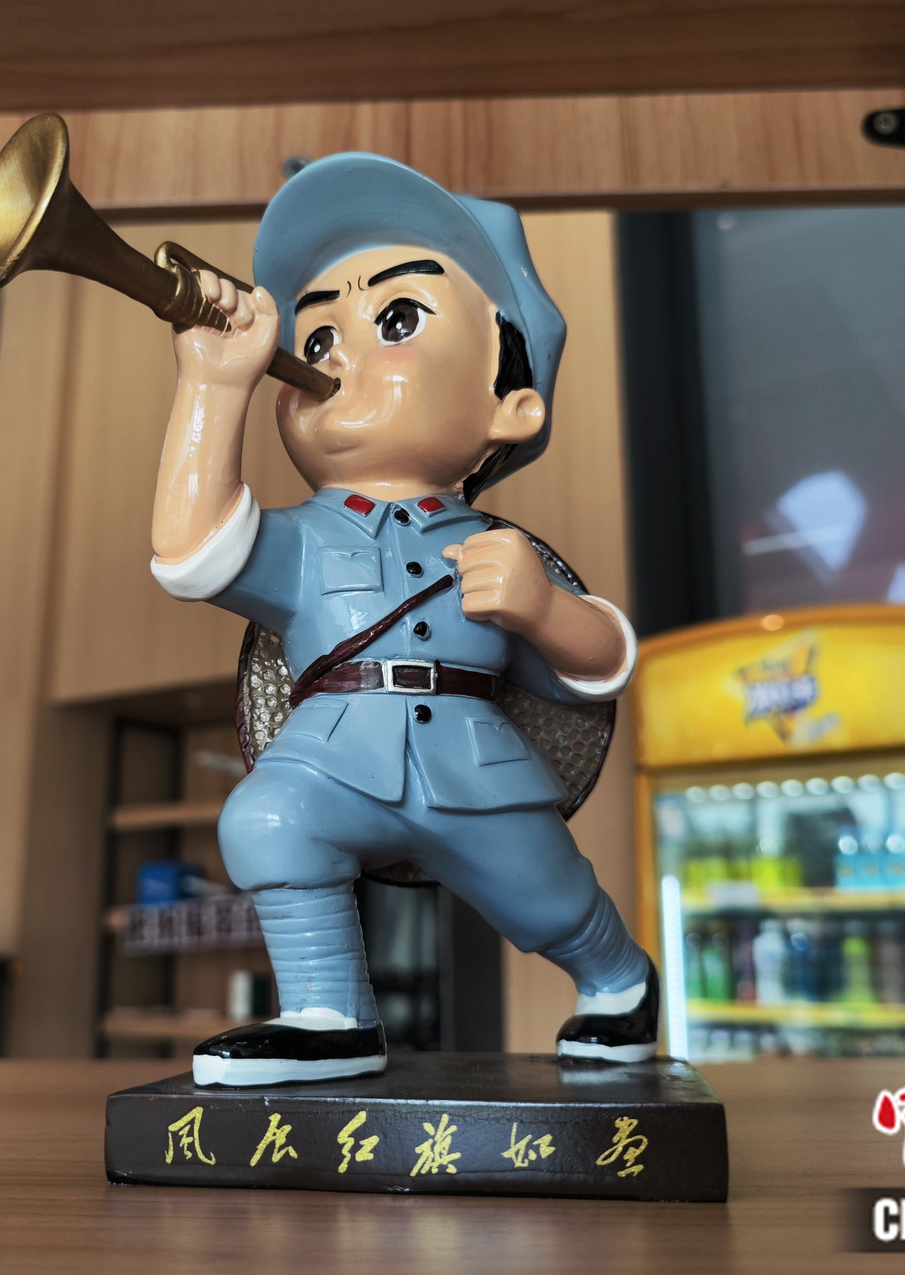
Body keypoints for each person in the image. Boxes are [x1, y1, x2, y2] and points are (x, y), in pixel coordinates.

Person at [150, 153, 658, 1086]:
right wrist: (215, 389)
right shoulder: (303, 540)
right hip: (332, 757)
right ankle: (328, 1013)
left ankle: (619, 979)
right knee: (267, 816)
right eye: (318, 334)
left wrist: (544, 607)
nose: (335, 357)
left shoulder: (501, 549)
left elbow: (600, 666)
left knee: (550, 903)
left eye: (394, 320)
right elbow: (192, 554)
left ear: (512, 405)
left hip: (476, 769)